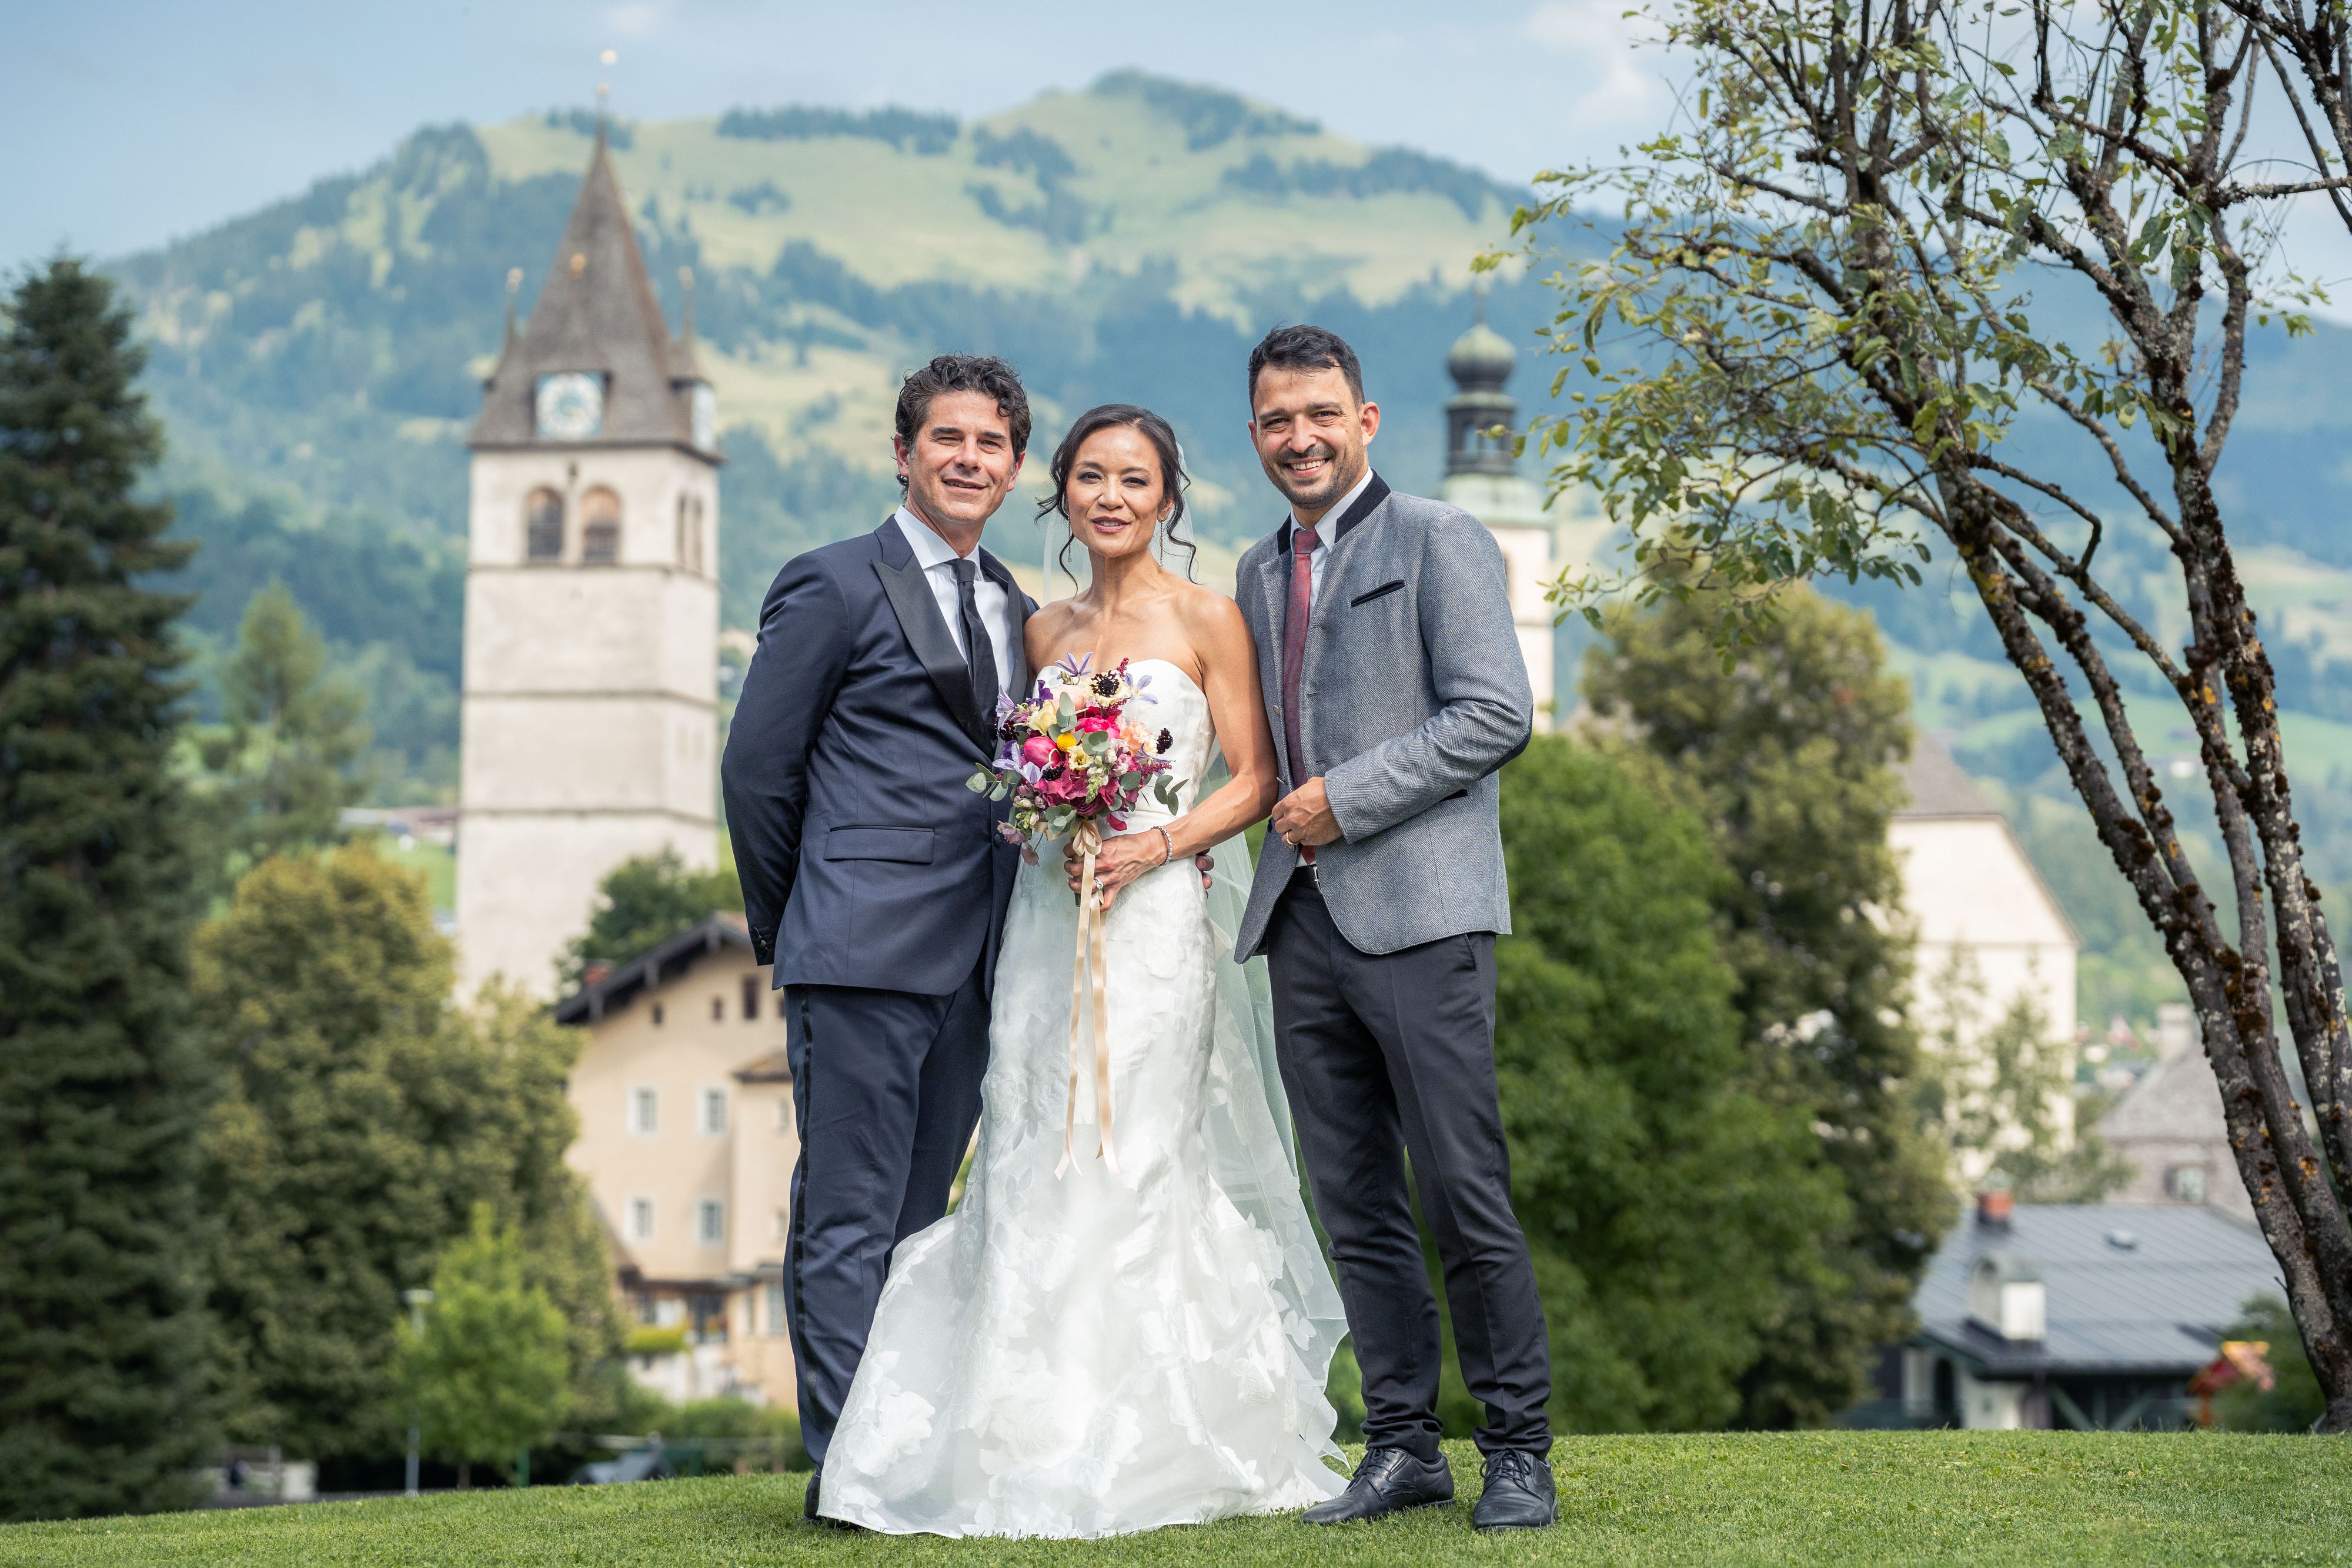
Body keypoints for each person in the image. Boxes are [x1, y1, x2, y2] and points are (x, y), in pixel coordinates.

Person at [816, 404, 1349, 1537]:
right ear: (1060, 493)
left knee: (1136, 1150)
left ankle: (1148, 1434)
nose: (1112, 498)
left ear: (1168, 500)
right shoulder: (1041, 630)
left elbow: (1253, 778)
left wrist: (1157, 844)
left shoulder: (1207, 619)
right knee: (1028, 1142)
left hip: (1154, 926)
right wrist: (1047, 816)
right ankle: (1016, 1433)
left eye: (1135, 481)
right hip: (1047, 924)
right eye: (1092, 478)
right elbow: (1018, 771)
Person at [1230, 324, 1556, 1532]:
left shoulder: (1439, 537)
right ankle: (1403, 1446)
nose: (1300, 437)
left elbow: (1496, 714)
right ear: (1256, 435)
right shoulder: (1258, 571)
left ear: (1364, 421)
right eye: (1278, 420)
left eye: (1321, 414)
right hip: (1298, 920)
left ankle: (1516, 1451)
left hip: (1423, 916)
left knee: (1463, 1191)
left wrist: (1345, 798)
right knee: (1354, 1201)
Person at [720, 355, 1037, 1522]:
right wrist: (801, 918)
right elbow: (757, 771)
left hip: (978, 958)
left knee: (917, 1223)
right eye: (947, 437)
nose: (968, 459)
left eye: (991, 443)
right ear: (902, 453)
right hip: (857, 951)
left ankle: (900, 1452)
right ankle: (845, 1472)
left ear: (1014, 466)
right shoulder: (831, 581)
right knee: (846, 1218)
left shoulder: (1012, 601)